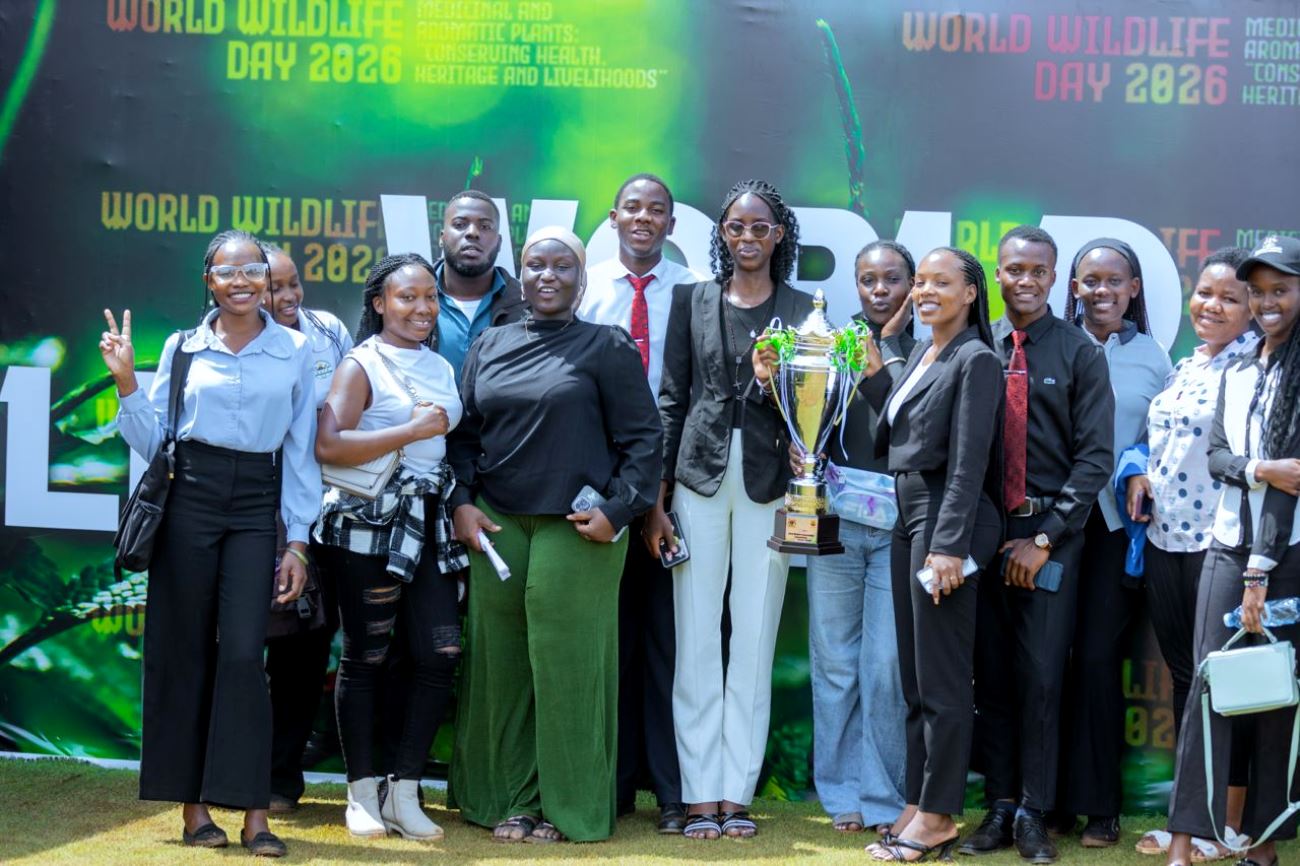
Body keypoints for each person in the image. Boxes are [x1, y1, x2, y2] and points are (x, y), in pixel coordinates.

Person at [100, 229, 319, 858]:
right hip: (188, 500)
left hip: (256, 503)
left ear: (268, 281)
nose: (244, 281)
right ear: (209, 281)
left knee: (246, 657)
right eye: (230, 272)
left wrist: (298, 542)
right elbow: (152, 445)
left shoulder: (296, 350)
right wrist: (125, 383)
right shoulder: (183, 348)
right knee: (182, 652)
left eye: (255, 270)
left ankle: (255, 814)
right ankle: (193, 811)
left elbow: (301, 451)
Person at [447, 227, 662, 844]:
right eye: (536, 265)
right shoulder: (489, 344)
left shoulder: (605, 346)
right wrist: (461, 503)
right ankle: (509, 799)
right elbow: (462, 437)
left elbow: (644, 440)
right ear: (522, 274)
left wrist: (619, 513)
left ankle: (569, 808)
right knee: (502, 663)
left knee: (568, 664)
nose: (547, 276)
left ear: (581, 278)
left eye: (561, 266)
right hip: (497, 521)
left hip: (579, 526)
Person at [646, 179, 813, 841]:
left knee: (753, 636)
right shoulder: (693, 300)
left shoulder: (805, 309)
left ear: (779, 235)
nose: (747, 237)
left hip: (772, 484)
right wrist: (657, 500)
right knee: (694, 637)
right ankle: (697, 792)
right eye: (736, 227)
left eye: (760, 227)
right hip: (698, 478)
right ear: (722, 234)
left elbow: (816, 408)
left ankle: (736, 793)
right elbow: (671, 399)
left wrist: (784, 390)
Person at [964, 225, 1114, 863]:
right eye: (1012, 269)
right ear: (995, 275)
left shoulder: (1081, 353)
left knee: (1043, 677)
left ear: (1057, 280)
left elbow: (1095, 460)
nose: (1023, 280)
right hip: (982, 536)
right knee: (990, 677)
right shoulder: (974, 348)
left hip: (1051, 538)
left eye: (1037, 271)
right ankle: (998, 806)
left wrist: (1046, 537)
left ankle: (1034, 810)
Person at [312, 252, 465, 841]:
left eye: (430, 297)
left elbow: (443, 449)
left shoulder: (441, 367)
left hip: (426, 526)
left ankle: (403, 791)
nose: (422, 308)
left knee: (440, 655)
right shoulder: (361, 364)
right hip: (366, 526)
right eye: (408, 298)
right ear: (379, 304)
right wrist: (410, 431)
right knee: (367, 655)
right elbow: (328, 447)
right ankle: (361, 793)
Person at [864, 246, 1004, 862]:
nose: (923, 292)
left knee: (944, 679)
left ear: (971, 293)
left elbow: (970, 463)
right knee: (917, 680)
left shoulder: (977, 360)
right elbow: (902, 427)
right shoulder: (924, 352)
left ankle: (942, 816)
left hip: (948, 517)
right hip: (909, 512)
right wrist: (878, 367)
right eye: (919, 282)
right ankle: (920, 803)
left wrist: (948, 546)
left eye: (940, 283)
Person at [1165, 235, 1300, 866]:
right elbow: (1219, 458)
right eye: (1260, 291)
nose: (1267, 302)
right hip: (1223, 544)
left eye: (1281, 290)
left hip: (1286, 554)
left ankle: (1264, 845)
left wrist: (1260, 572)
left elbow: (1289, 495)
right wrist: (1262, 468)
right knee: (1208, 690)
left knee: (1276, 697)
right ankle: (1186, 841)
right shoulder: (1240, 367)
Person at [1126, 248, 1259, 861]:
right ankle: (1193, 814)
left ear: (1253, 308)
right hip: (1164, 540)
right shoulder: (1185, 364)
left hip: (1222, 545)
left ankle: (1226, 825)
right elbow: (1157, 445)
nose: (1212, 305)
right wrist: (1140, 473)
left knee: (1222, 683)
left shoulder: (1256, 368)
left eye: (1230, 297)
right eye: (1205, 292)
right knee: (1186, 679)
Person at [578, 172, 699, 833]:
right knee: (609, 641)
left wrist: (661, 492)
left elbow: (691, 396)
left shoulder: (692, 295)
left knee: (664, 639)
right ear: (614, 217)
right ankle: (615, 783)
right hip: (599, 489)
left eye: (657, 210)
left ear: (672, 224)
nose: (644, 218)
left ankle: (672, 790)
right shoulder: (586, 287)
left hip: (672, 488)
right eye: (633, 207)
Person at [1056, 238, 1172, 846]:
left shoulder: (1154, 357)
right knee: (1047, 664)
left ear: (1133, 289)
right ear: (1072, 287)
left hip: (1113, 533)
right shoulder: (1052, 343)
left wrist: (1142, 469)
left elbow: (1169, 441)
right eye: (1088, 280)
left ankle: (1100, 807)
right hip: (1051, 529)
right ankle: (1044, 802)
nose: (1100, 291)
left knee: (1099, 661)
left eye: (1113, 281)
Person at [802, 240, 915, 837]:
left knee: (884, 667)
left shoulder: (929, 345)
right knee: (835, 662)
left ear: (913, 283)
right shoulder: (830, 341)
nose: (879, 290)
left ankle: (882, 795)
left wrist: (888, 357)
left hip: (899, 528)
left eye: (891, 279)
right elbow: (803, 417)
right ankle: (840, 791)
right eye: (868, 279)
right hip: (837, 522)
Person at [258, 241, 354, 814]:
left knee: (305, 646)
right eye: (276, 287)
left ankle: (280, 780)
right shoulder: (219, 341)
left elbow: (343, 416)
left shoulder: (327, 330)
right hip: (250, 511)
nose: (289, 297)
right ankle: (231, 770)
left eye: (294, 284)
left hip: (320, 514)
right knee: (246, 651)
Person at [431, 189, 527, 380]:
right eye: (460, 224)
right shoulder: (408, 299)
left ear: (499, 243)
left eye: (485, 227)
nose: (472, 233)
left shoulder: (526, 305)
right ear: (442, 237)